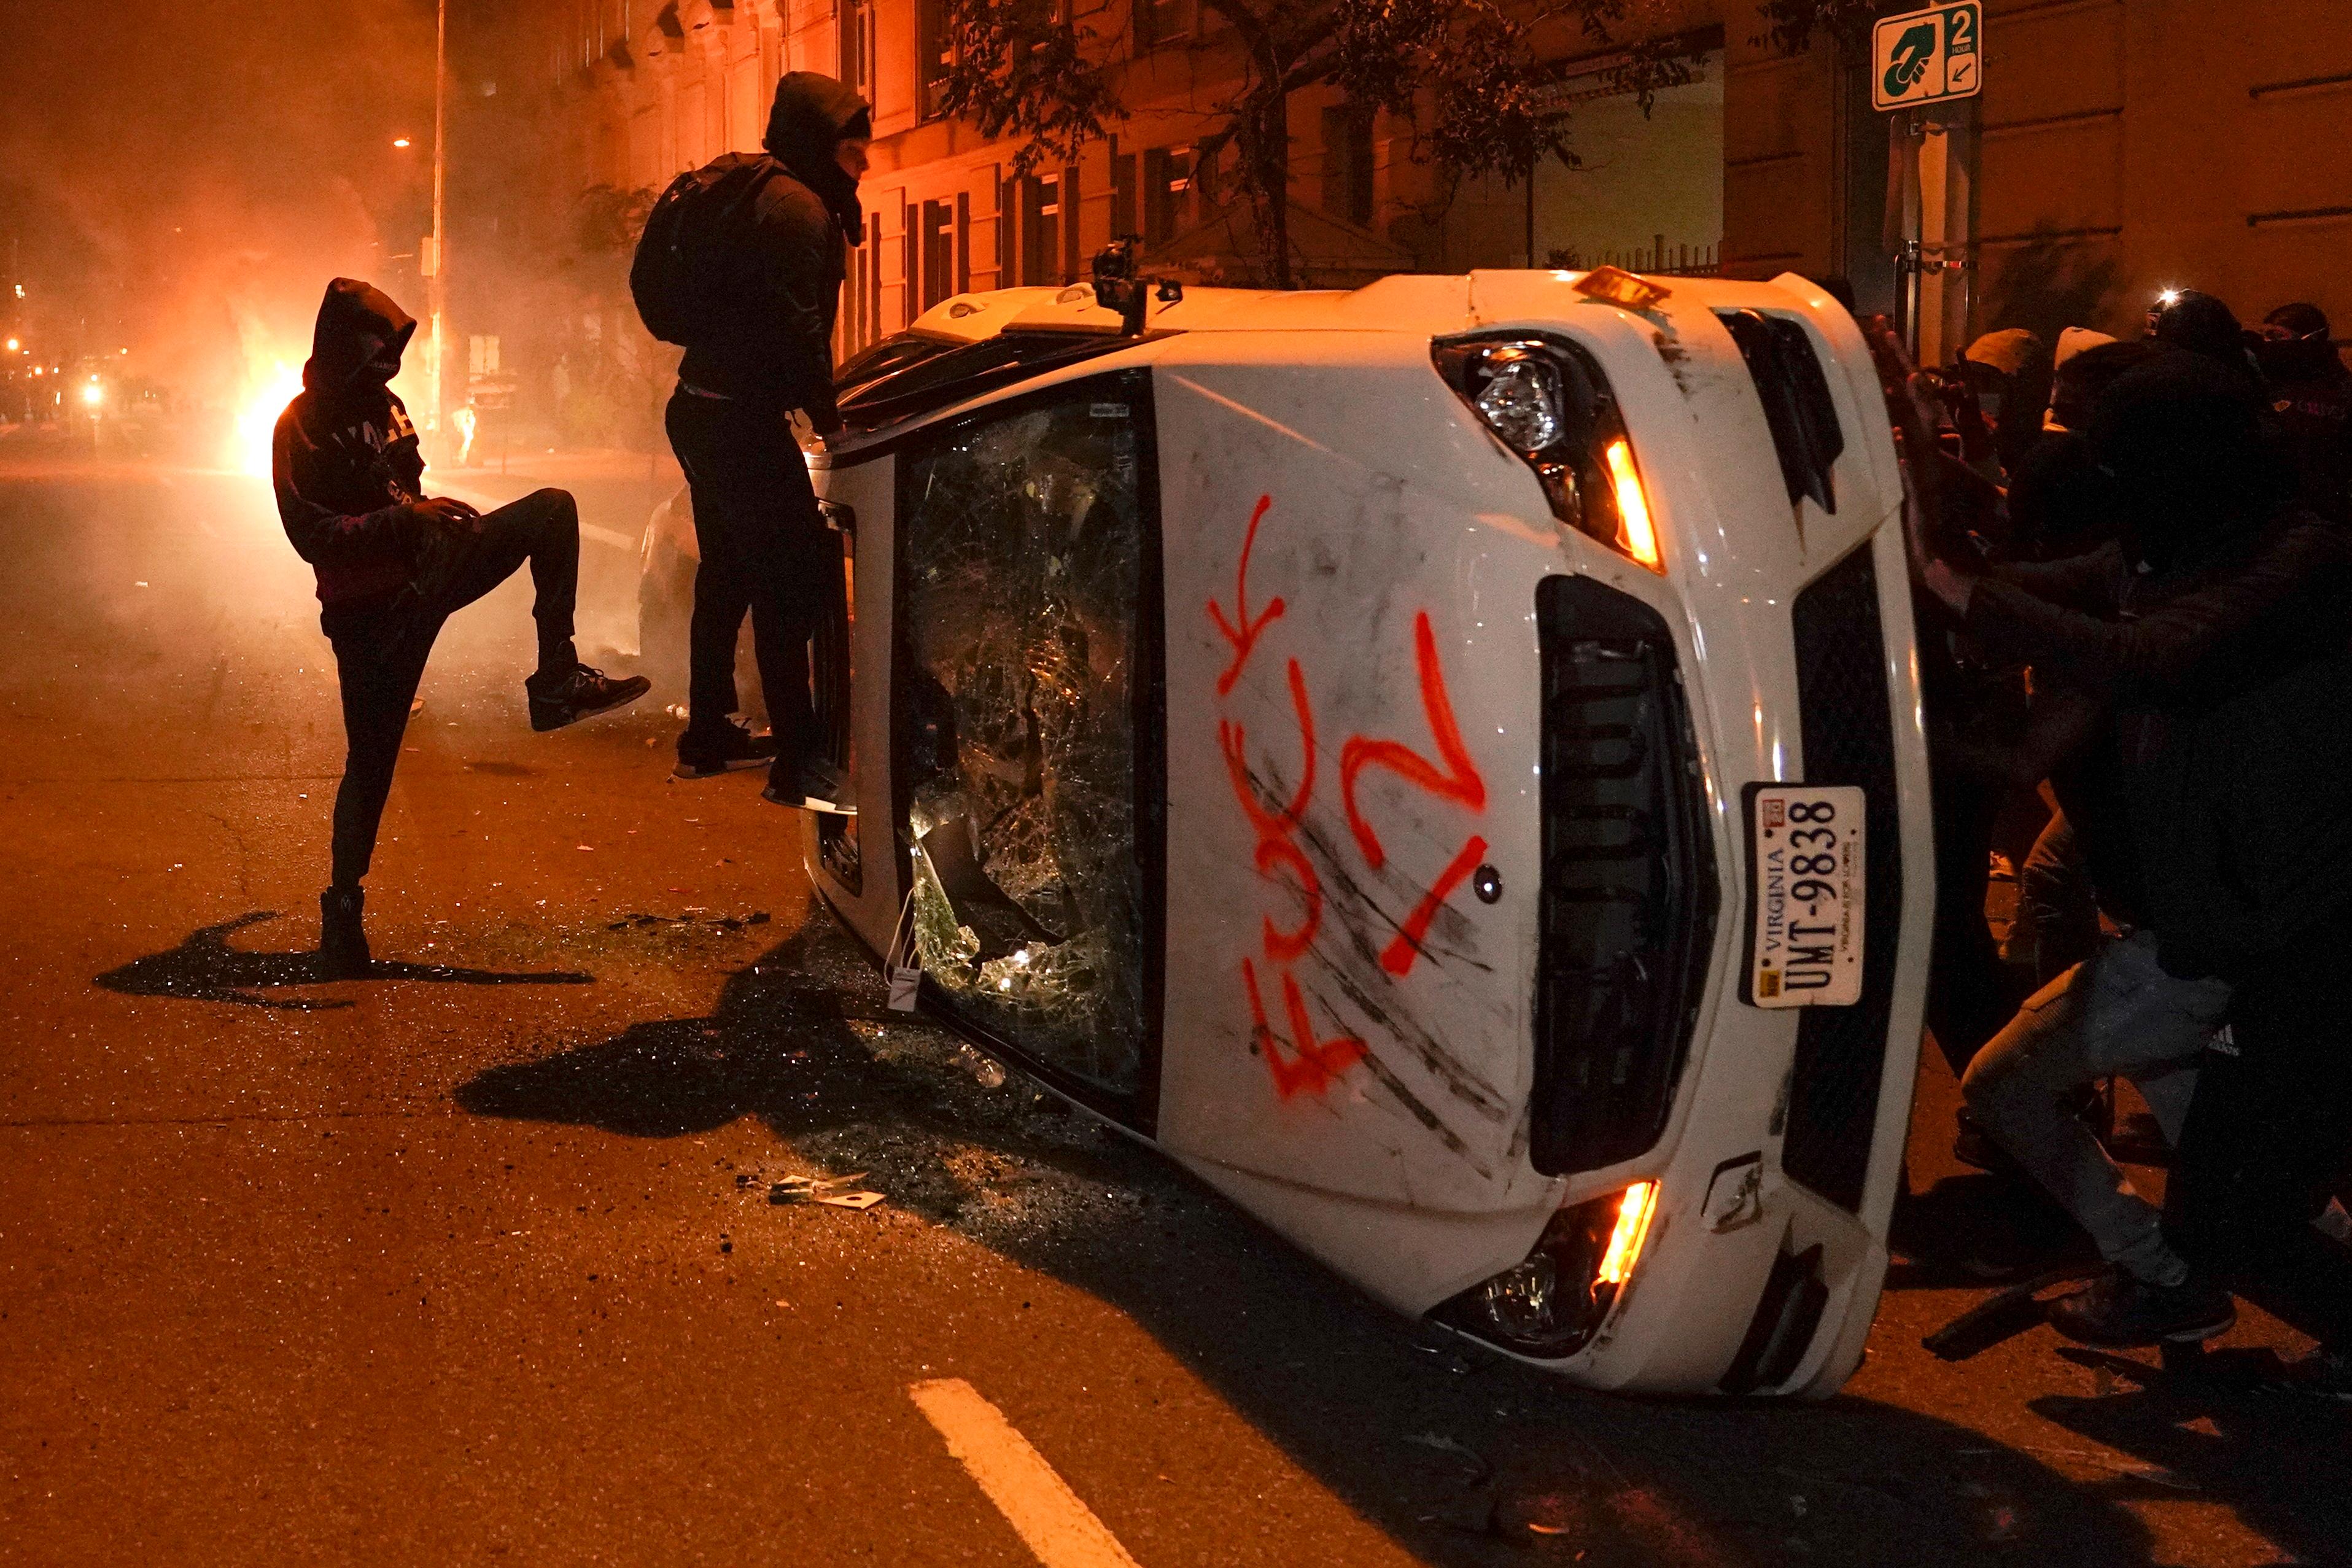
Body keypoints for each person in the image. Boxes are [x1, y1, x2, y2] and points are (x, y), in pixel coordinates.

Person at [1895, 345, 2352, 1343]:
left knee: (2234, 1203)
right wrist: (1934, 565)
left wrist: (1957, 587)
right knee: (2235, 1172)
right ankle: (2186, 1274)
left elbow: (2152, 654)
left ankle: (2170, 1276)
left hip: (2280, 935)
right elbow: (2053, 589)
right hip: (2214, 930)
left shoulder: (2298, 558)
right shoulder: (2170, 546)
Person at [274, 279, 648, 975]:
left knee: (552, 509)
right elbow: (309, 533)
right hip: (368, 614)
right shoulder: (298, 426)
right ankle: (342, 913)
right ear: (342, 353)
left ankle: (557, 678)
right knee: (372, 763)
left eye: (392, 358)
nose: (388, 373)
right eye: (375, 358)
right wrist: (401, 520)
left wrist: (439, 514)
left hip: (429, 571)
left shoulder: (388, 408)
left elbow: (407, 488)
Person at [662, 72, 870, 811]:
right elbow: (797, 328)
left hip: (701, 408)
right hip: (737, 422)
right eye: (852, 152)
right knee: (796, 577)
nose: (863, 167)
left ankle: (708, 734)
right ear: (822, 148)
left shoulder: (770, 194)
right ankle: (800, 760)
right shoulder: (796, 211)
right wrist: (831, 417)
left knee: (726, 572)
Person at [2253, 301, 2352, 524]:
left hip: (2327, 515)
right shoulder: (2260, 382)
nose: (2267, 344)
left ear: (2310, 339)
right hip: (2272, 513)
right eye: (2264, 337)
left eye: (2277, 336)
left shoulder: (2341, 389)